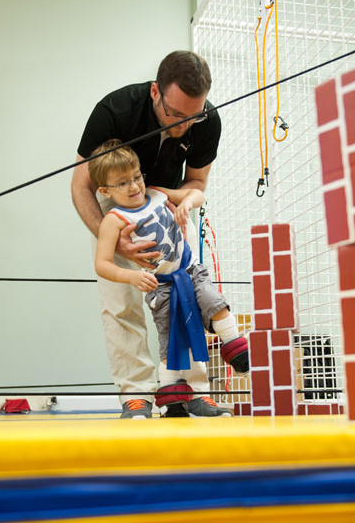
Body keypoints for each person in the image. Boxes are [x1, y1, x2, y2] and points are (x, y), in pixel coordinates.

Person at [71, 51, 230, 418]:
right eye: (175, 115)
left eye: (193, 116)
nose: (183, 125)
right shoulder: (114, 111)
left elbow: (197, 182)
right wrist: (111, 239)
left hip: (170, 209)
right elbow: (81, 186)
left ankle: (189, 389)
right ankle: (136, 393)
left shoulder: (206, 120)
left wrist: (184, 203)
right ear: (156, 92)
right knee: (121, 301)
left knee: (185, 298)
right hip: (117, 215)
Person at [89, 140, 249, 417]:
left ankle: (235, 348)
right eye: (123, 183)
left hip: (190, 271)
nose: (134, 187)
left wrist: (186, 203)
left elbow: (198, 195)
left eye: (137, 177)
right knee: (171, 340)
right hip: (161, 286)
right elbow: (102, 264)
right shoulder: (114, 220)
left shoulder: (158, 195)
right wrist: (130, 276)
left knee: (215, 303)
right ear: (105, 191)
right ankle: (172, 396)